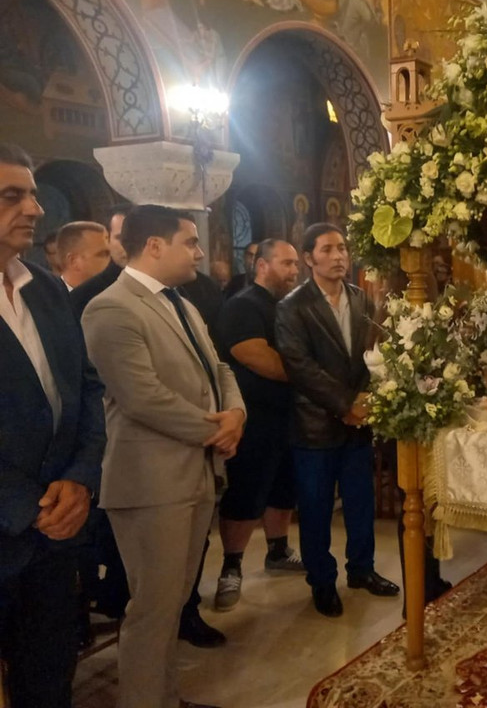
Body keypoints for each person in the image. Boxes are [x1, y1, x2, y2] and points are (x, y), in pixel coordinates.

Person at [81, 205, 246, 708]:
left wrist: (236, 413)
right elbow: (142, 397)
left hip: (194, 473)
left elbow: (218, 367)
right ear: (154, 245)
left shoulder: (182, 303)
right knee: (152, 610)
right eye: (189, 242)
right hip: (151, 482)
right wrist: (216, 432)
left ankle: (165, 698)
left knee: (173, 605)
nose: (199, 251)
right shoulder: (111, 307)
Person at [0, 143, 106, 708]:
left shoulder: (43, 287)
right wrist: (29, 506)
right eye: (11, 196)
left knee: (48, 678)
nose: (35, 209)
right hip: (13, 523)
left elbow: (85, 387)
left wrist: (81, 479)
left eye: (34, 194)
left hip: (57, 532)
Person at [275, 223, 399, 618]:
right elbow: (300, 366)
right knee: (316, 508)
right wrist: (345, 403)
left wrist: (365, 399)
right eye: (327, 249)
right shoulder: (293, 306)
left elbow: (369, 355)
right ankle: (322, 581)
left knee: (360, 502)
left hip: (356, 422)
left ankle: (362, 570)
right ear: (309, 258)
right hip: (316, 425)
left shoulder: (360, 298)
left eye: (342, 248)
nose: (339, 256)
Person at [213, 240, 304, 613]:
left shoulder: (288, 305)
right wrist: (311, 373)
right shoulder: (243, 305)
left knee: (284, 486)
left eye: (296, 263)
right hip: (254, 417)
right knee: (247, 492)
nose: (294, 270)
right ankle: (231, 565)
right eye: (286, 263)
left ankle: (278, 550)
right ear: (262, 265)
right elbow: (255, 356)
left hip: (288, 415)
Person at [70, 203, 130, 317]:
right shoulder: (83, 298)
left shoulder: (164, 286)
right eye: (120, 238)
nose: (129, 245)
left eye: (138, 237)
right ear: (107, 239)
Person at [56, 220, 111, 290]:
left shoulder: (115, 293)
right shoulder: (50, 295)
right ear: (74, 261)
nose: (111, 260)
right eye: (103, 254)